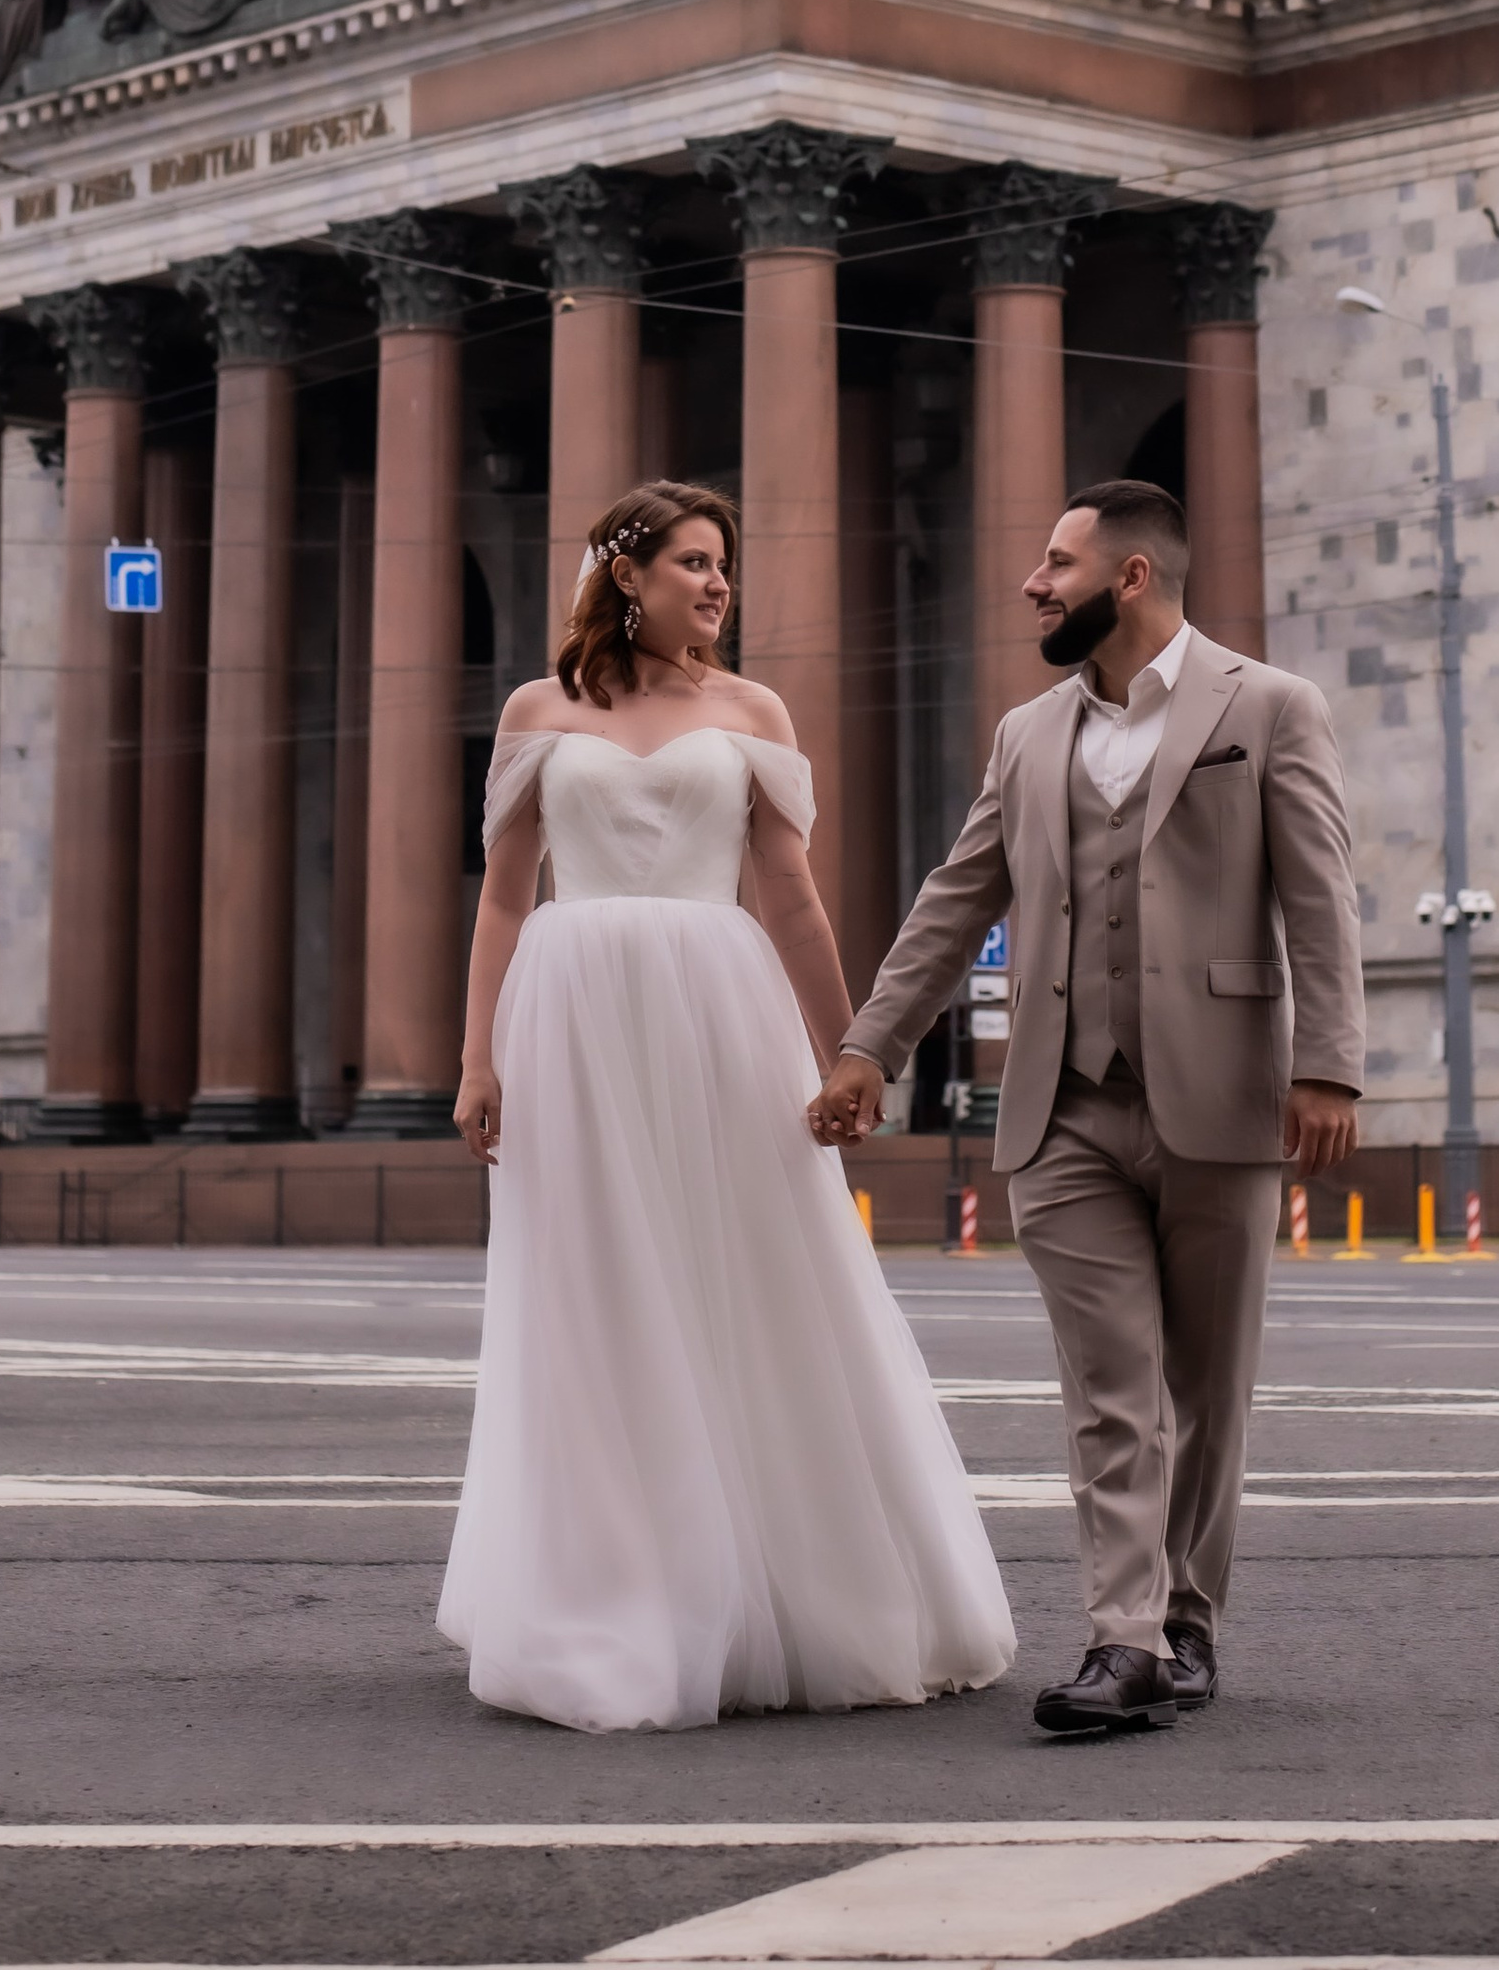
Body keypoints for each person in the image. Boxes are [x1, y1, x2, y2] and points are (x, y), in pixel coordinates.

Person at [439, 481, 1013, 1731]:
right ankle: (615, 1590)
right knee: (593, 1295)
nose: (715, 583)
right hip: (574, 1019)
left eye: (725, 565)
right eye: (693, 561)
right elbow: (501, 896)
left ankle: (802, 1582)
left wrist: (851, 1048)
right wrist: (477, 1059)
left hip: (721, 1010)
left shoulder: (752, 710)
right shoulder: (539, 710)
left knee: (757, 1270)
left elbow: (793, 898)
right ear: (625, 573)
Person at [812, 478, 1366, 1738]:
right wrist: (867, 1046)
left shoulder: (1268, 705)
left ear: (1129, 577)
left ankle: (1186, 1620)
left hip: (1223, 1095)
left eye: (1055, 561)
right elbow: (955, 900)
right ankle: (1122, 1640)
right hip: (1060, 1105)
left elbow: (1320, 895)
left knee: (1206, 1385)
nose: (1031, 582)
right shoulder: (1026, 732)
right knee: (1112, 1383)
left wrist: (1328, 1062)